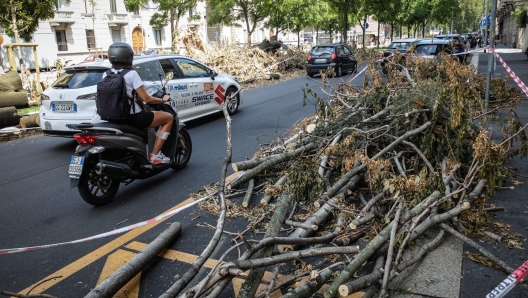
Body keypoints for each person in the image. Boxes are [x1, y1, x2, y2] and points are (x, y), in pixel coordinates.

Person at [105, 42, 173, 164]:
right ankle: (155, 155)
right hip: (132, 117)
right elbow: (147, 99)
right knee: (168, 118)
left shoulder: (106, 74)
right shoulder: (131, 74)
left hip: (112, 116)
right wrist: (162, 100)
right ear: (128, 56)